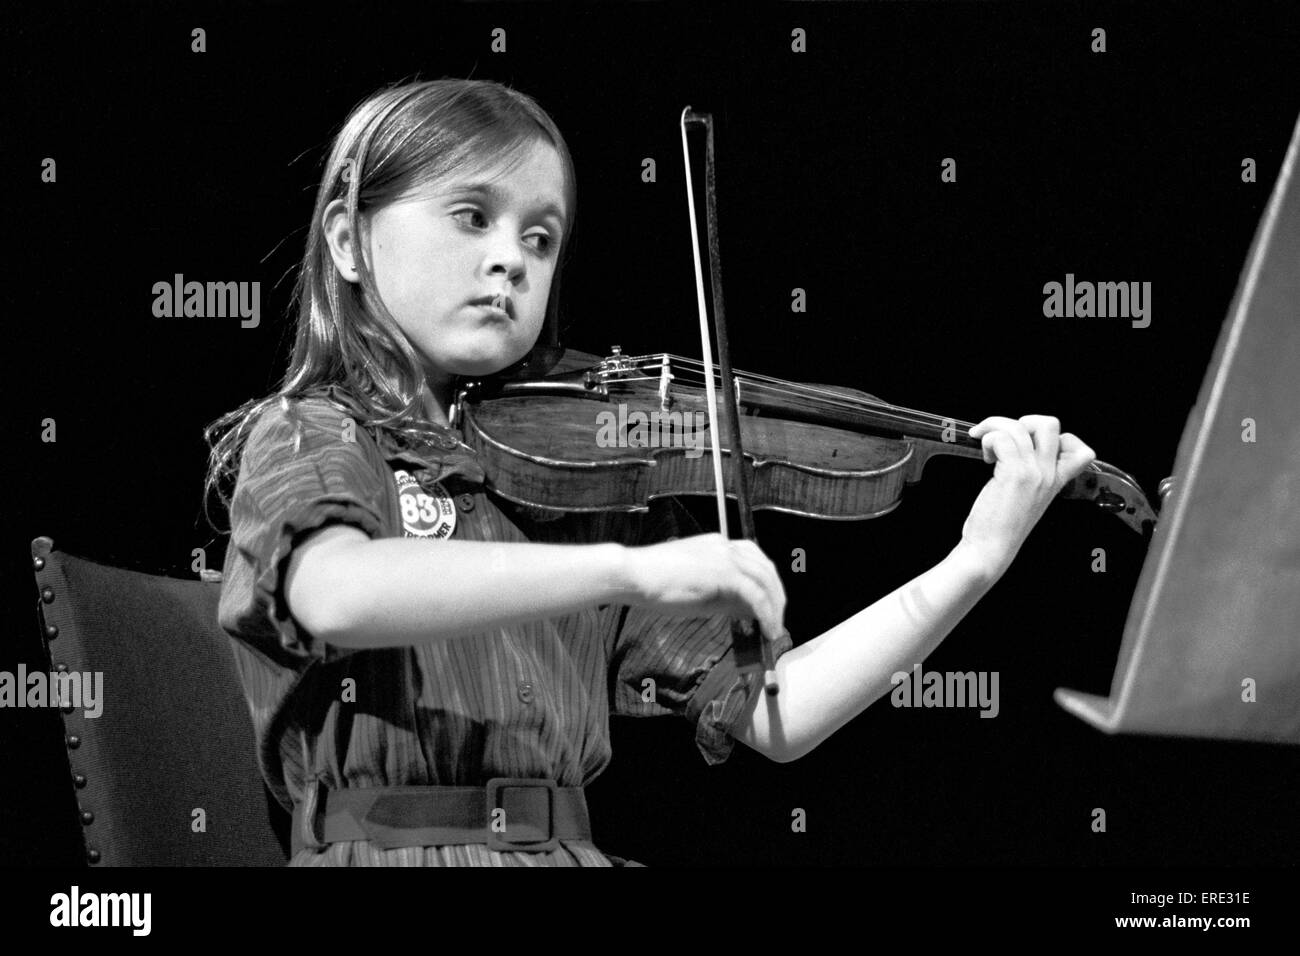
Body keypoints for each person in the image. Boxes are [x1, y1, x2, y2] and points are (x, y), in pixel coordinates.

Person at [203, 77, 1096, 867]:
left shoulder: (575, 479)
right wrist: (632, 571)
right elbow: (335, 592)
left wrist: (973, 563)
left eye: (542, 238)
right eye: (471, 216)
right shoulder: (313, 431)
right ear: (350, 243)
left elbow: (780, 718)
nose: (511, 258)